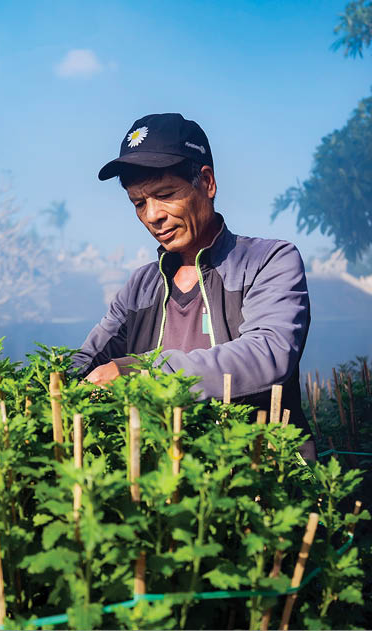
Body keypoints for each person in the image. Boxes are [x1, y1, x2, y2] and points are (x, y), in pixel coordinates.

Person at [69, 113, 315, 458]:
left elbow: (268, 355)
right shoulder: (140, 286)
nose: (152, 215)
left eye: (165, 194)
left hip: (259, 475)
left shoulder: (269, 261)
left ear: (207, 182)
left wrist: (141, 373)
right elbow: (84, 363)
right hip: (163, 480)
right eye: (139, 203)